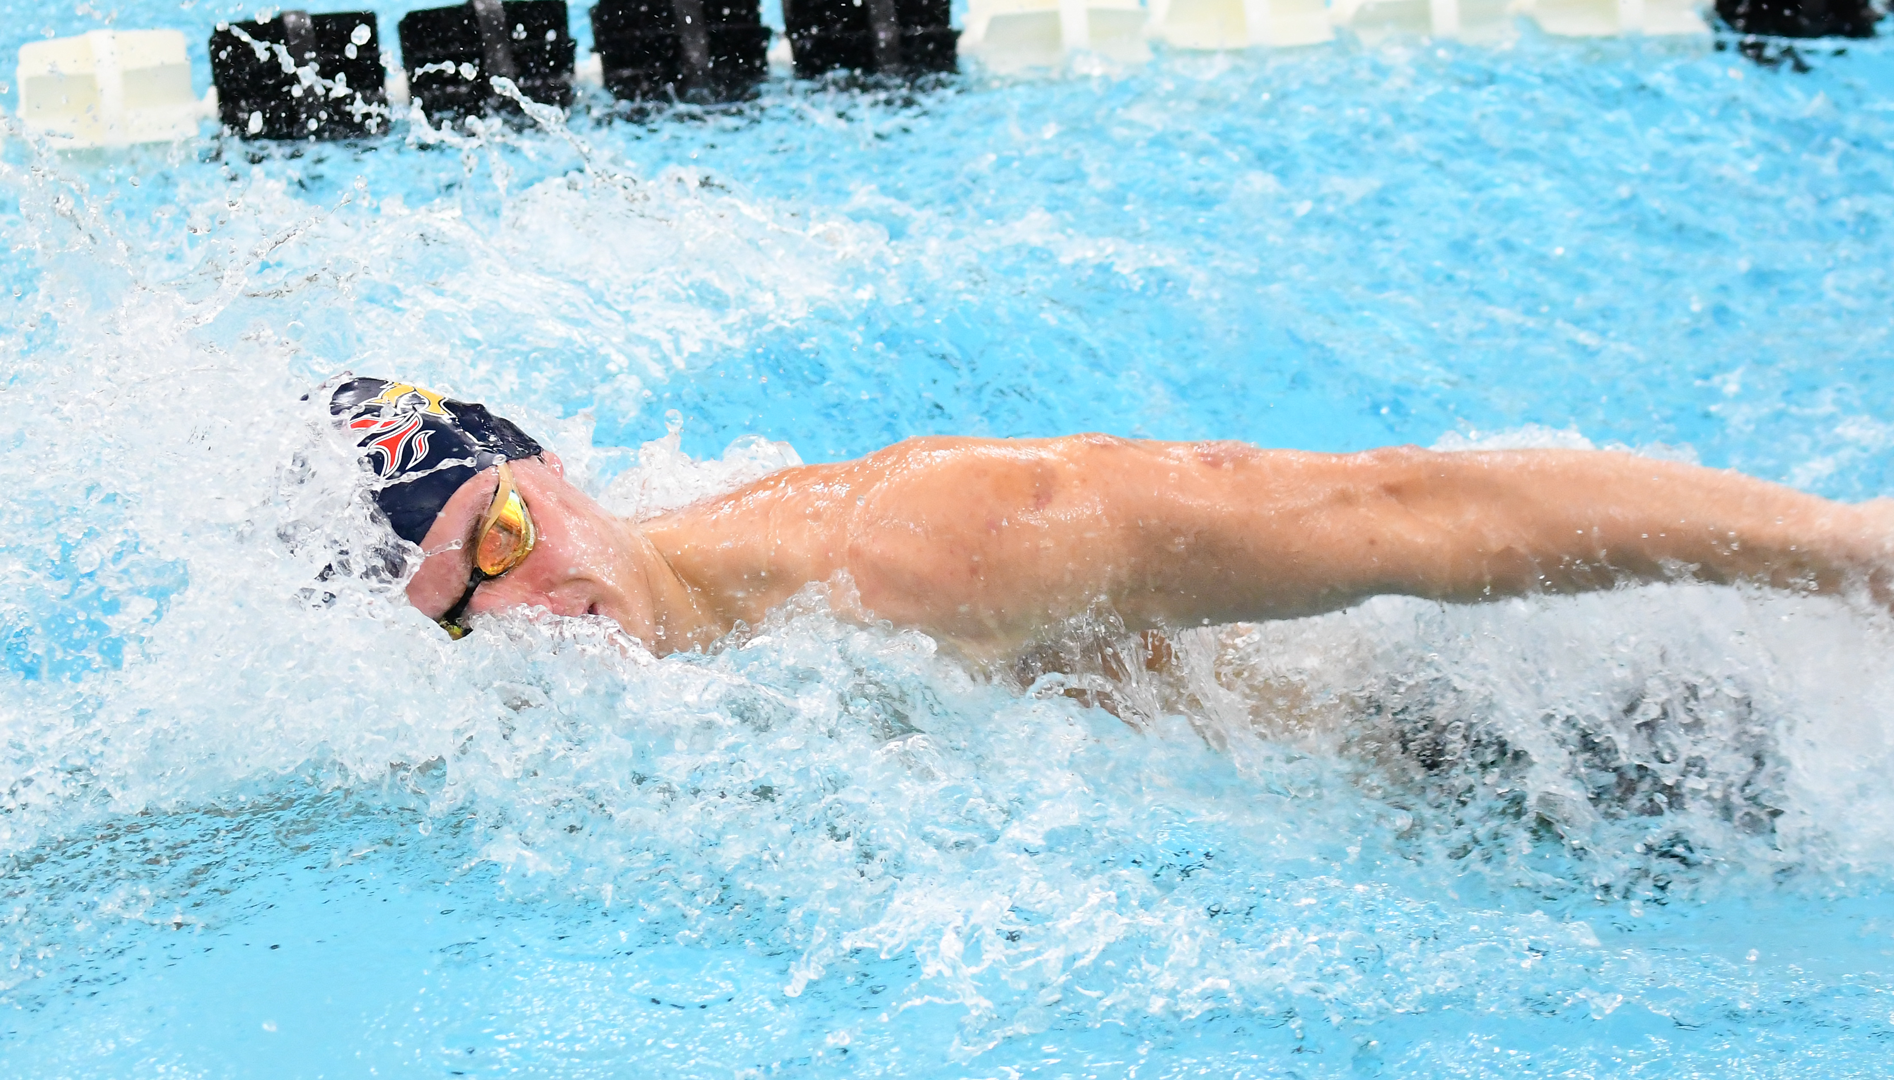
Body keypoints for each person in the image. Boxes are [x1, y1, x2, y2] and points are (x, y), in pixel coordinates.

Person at [328, 376, 1894, 661]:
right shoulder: (719, 632)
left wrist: (1854, 551)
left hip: (1568, 765)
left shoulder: (932, 545)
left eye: (515, 542)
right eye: (468, 608)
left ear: (563, 483)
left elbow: (1410, 506)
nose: (539, 611)